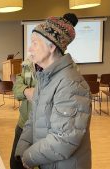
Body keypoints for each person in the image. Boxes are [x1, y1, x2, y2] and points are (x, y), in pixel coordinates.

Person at [15, 13, 92, 169]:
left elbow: (63, 141)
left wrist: (28, 157)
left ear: (51, 46)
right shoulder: (45, 77)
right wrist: (22, 150)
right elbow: (32, 120)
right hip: (48, 162)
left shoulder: (71, 84)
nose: (29, 49)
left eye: (34, 43)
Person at [10, 58, 41, 169]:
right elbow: (17, 88)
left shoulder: (63, 70)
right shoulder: (28, 65)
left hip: (43, 129)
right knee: (15, 164)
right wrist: (25, 91)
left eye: (35, 42)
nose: (30, 48)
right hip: (23, 124)